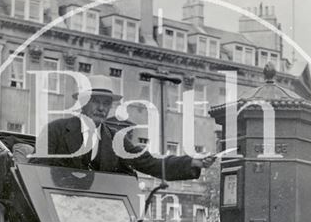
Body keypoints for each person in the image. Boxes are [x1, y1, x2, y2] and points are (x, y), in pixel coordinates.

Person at [30, 74, 215, 179]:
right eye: (96, 101)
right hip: (56, 212)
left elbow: (151, 162)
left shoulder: (116, 140)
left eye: (106, 103)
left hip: (99, 215)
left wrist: (192, 161)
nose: (101, 108)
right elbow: (36, 174)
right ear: (83, 103)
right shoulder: (55, 130)